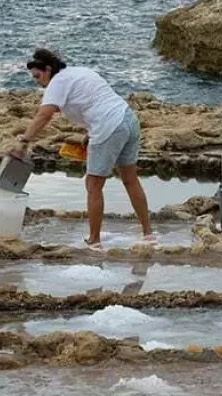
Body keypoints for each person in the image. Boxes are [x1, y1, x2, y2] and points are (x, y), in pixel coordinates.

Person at [10, 48, 155, 249]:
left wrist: (24, 140)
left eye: (38, 76)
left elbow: (44, 115)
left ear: (48, 69)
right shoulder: (79, 72)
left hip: (109, 127)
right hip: (128, 120)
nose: (37, 81)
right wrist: (90, 132)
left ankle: (94, 240)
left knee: (93, 185)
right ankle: (148, 234)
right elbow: (95, 101)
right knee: (130, 179)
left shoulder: (57, 83)